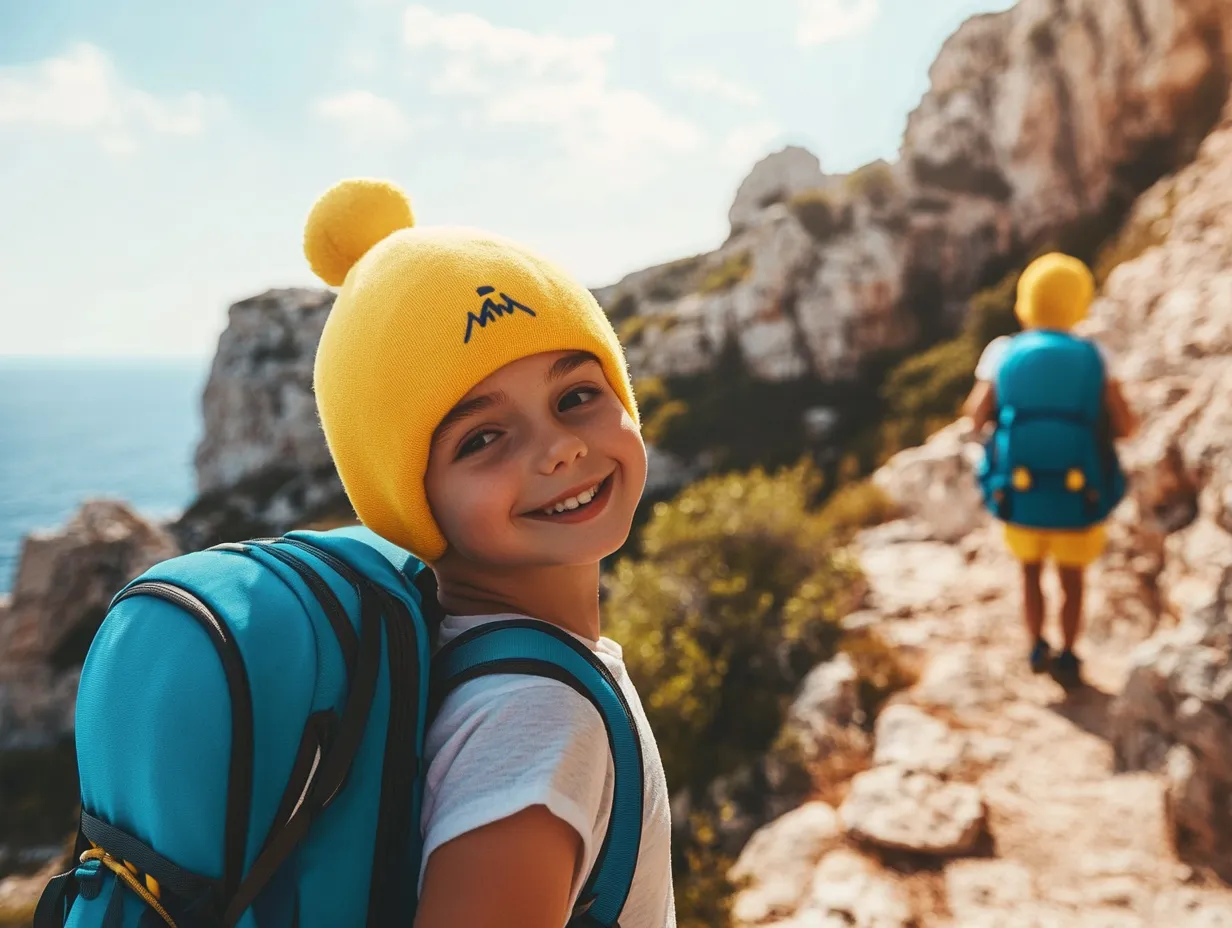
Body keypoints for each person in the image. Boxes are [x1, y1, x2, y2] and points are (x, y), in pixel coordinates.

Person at [306, 178, 675, 927]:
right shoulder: (537, 721)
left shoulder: (486, 667)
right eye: (482, 439)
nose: (561, 448)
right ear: (410, 502)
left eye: (576, 395)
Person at [962, 252, 1138, 688]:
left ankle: (1036, 644)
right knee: (1072, 578)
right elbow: (1126, 426)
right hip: (1080, 491)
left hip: (1019, 489)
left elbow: (975, 418)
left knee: (1029, 572)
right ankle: (1070, 653)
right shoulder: (1095, 355)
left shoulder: (1002, 352)